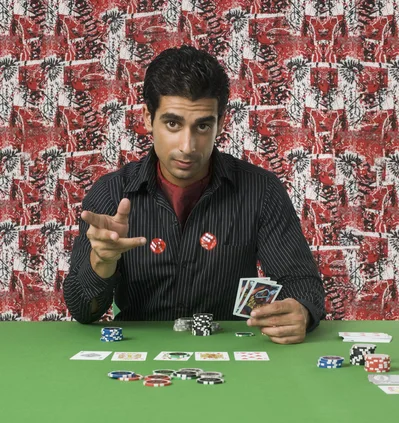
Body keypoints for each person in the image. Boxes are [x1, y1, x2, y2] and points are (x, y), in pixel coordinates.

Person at [63, 45, 325, 344]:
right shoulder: (111, 193)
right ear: (148, 117)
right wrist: (102, 262)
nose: (188, 146)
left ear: (221, 123)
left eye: (202, 126)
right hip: (141, 358)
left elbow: (302, 283)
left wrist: (300, 311)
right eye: (173, 124)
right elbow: (83, 310)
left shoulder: (261, 190)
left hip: (232, 356)